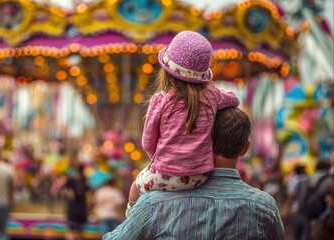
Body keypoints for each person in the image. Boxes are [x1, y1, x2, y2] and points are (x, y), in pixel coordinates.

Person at [104, 107, 285, 239]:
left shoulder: (155, 204)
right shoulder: (265, 207)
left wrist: (134, 199)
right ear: (245, 148)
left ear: (202, 140)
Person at [127, 30, 239, 215]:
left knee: (134, 187)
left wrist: (157, 159)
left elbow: (148, 141)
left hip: (165, 174)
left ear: (167, 72)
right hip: (200, 176)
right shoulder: (213, 96)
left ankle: (131, 217)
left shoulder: (161, 100)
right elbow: (234, 100)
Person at [64, 165, 90, 240]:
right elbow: (88, 196)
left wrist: (68, 192)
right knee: (80, 232)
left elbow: (67, 190)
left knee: (71, 231)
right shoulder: (85, 181)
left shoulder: (71, 181)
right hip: (82, 210)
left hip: (73, 209)